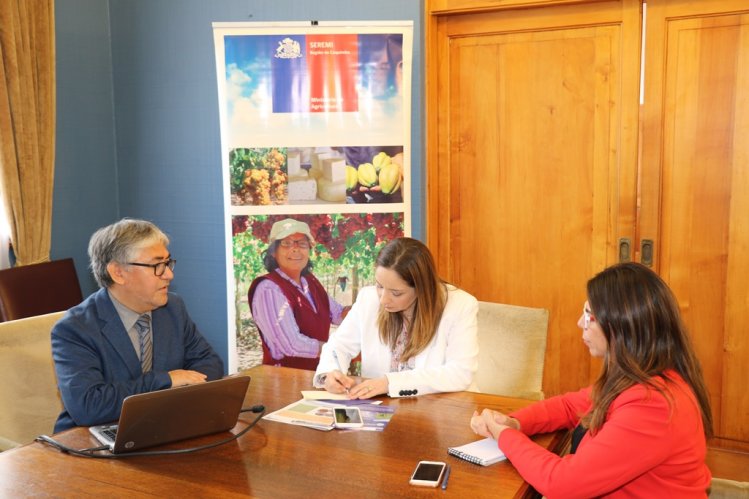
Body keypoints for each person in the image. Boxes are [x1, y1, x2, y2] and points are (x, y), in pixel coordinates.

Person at [470, 262, 713, 497]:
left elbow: (560, 483)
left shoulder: (653, 405)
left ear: (622, 326)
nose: (579, 323)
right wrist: (515, 423)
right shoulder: (642, 377)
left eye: (589, 315)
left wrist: (505, 436)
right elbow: (569, 406)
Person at [51, 219, 224, 432]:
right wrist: (166, 381)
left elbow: (210, 363)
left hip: (161, 425)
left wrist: (173, 397)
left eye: (168, 263)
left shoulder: (173, 308)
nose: (169, 274)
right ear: (118, 273)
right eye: (157, 265)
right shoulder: (74, 329)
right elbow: (88, 406)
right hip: (92, 440)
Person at [314, 237, 479, 399]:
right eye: (379, 285)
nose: (383, 299)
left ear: (422, 288)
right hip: (382, 409)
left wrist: (389, 383)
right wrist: (328, 374)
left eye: (396, 293)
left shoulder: (461, 305)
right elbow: (338, 347)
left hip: (441, 412)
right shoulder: (368, 298)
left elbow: (460, 372)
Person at [248, 218, 348, 370]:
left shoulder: (310, 282)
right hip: (284, 382)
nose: (295, 249)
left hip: (315, 376)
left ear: (309, 250)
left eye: (302, 243)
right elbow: (291, 345)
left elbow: (337, 314)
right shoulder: (269, 289)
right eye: (286, 243)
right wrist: (339, 351)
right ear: (273, 252)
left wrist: (369, 305)